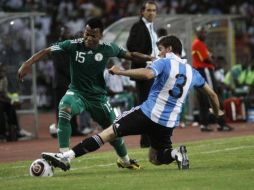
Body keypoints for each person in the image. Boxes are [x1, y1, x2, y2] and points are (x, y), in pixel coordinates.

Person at [41, 35, 224, 172]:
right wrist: (217, 113)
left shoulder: (165, 61)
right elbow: (213, 95)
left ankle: (65, 156)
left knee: (108, 133)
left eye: (160, 48)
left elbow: (147, 74)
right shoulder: (193, 72)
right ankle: (176, 153)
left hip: (148, 113)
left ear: (168, 49)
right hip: (167, 123)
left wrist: (120, 72)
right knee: (155, 157)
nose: (158, 53)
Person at [18, 17, 154, 170]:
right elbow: (47, 51)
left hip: (98, 98)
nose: (88, 38)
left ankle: (125, 160)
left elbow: (131, 55)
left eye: (93, 35)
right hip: (77, 93)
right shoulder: (72, 45)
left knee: (113, 130)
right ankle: (64, 156)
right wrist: (27, 63)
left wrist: (150, 58)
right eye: (86, 34)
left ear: (100, 35)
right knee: (65, 108)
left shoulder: (108, 48)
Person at [126, 0, 158, 148]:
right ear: (142, 12)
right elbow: (131, 47)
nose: (152, 13)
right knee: (145, 106)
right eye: (149, 10)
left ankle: (149, 138)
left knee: (150, 105)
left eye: (154, 10)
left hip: (152, 71)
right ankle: (146, 140)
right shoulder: (138, 27)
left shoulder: (150, 28)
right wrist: (147, 59)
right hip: (143, 71)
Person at [192, 26, 233, 132]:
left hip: (201, 72)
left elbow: (209, 57)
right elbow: (206, 59)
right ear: (198, 33)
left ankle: (204, 124)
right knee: (214, 96)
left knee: (204, 100)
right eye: (203, 32)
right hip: (204, 71)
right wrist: (215, 63)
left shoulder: (200, 44)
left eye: (205, 32)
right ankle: (221, 123)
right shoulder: (198, 43)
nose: (205, 34)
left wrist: (212, 59)